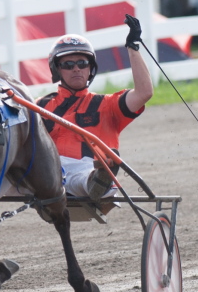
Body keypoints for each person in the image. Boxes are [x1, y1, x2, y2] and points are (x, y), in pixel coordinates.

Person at [37, 14, 153, 205]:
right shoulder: (39, 106)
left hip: (86, 170)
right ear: (57, 69)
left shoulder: (107, 105)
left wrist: (133, 48)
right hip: (46, 170)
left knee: (80, 176)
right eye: (68, 64)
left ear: (90, 68)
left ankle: (100, 180)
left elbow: (144, 93)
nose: (76, 69)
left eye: (82, 63)